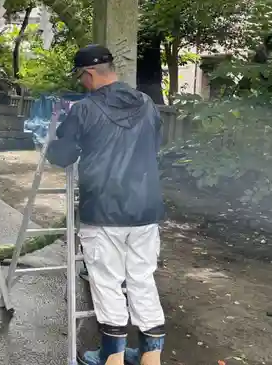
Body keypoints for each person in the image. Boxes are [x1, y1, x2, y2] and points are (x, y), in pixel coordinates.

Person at [46, 44, 165, 365]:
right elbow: (155, 144)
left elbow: (62, 155)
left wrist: (53, 142)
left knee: (107, 283)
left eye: (80, 77)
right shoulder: (146, 103)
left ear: (88, 73)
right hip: (146, 209)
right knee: (142, 279)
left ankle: (111, 358)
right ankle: (150, 357)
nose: (81, 84)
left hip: (104, 211)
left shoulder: (83, 110)